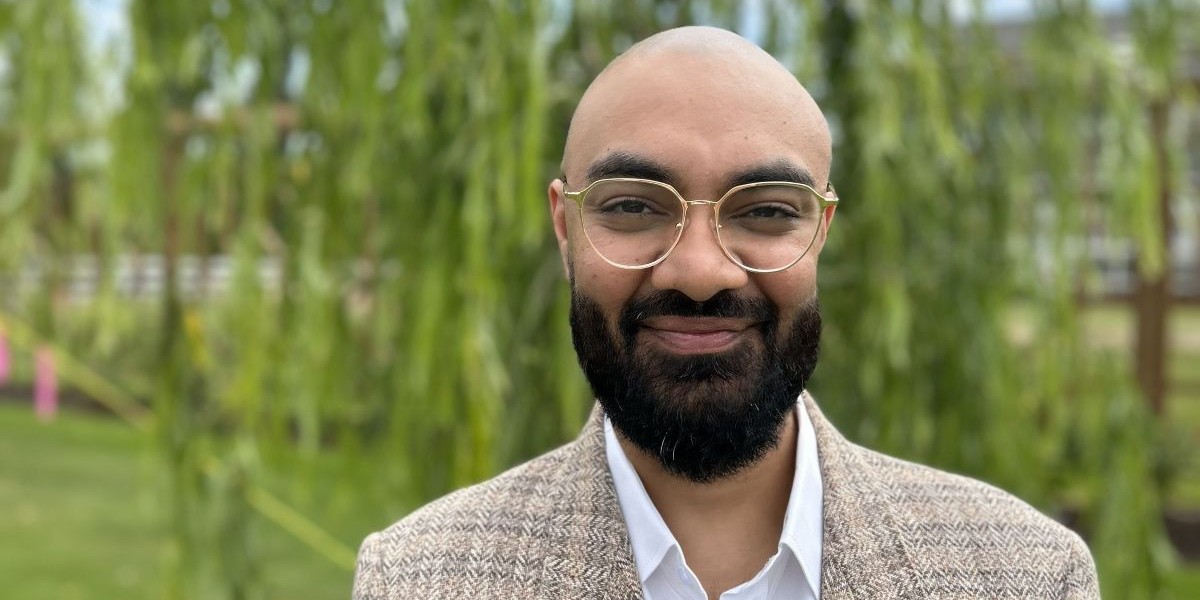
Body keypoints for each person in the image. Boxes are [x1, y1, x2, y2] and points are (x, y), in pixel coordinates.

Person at [353, 26, 1100, 600]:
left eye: (766, 211)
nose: (701, 272)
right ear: (565, 227)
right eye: (633, 207)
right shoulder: (418, 579)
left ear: (821, 231)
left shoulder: (1027, 574)